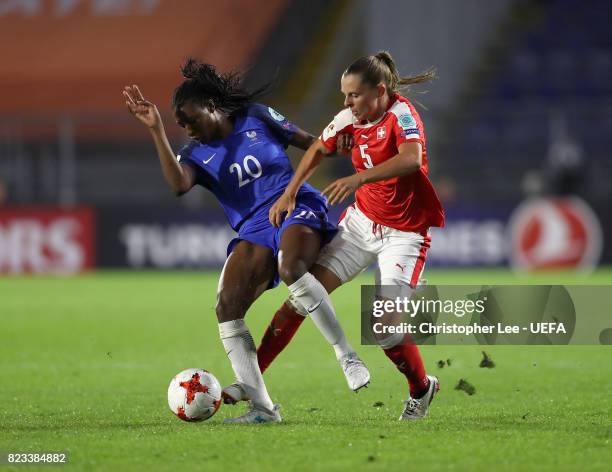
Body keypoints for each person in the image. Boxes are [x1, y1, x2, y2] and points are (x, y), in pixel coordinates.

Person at [123, 58, 369, 424]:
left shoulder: (257, 116)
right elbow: (178, 186)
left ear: (213, 107)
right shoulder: (194, 154)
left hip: (294, 202)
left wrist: (345, 142)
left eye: (191, 119)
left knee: (291, 267)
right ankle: (263, 408)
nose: (188, 129)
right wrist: (157, 131)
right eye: (180, 124)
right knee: (226, 306)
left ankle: (346, 354)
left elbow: (314, 145)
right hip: (253, 228)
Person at [224, 51, 445, 420]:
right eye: (344, 96)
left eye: (354, 96)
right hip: (361, 225)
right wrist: (291, 191)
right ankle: (252, 381)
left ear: (378, 92)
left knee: (384, 329)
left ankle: (421, 389)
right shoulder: (349, 119)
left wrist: (358, 178)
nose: (346, 103)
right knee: (300, 297)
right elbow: (316, 149)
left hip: (404, 234)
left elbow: (411, 159)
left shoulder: (401, 116)